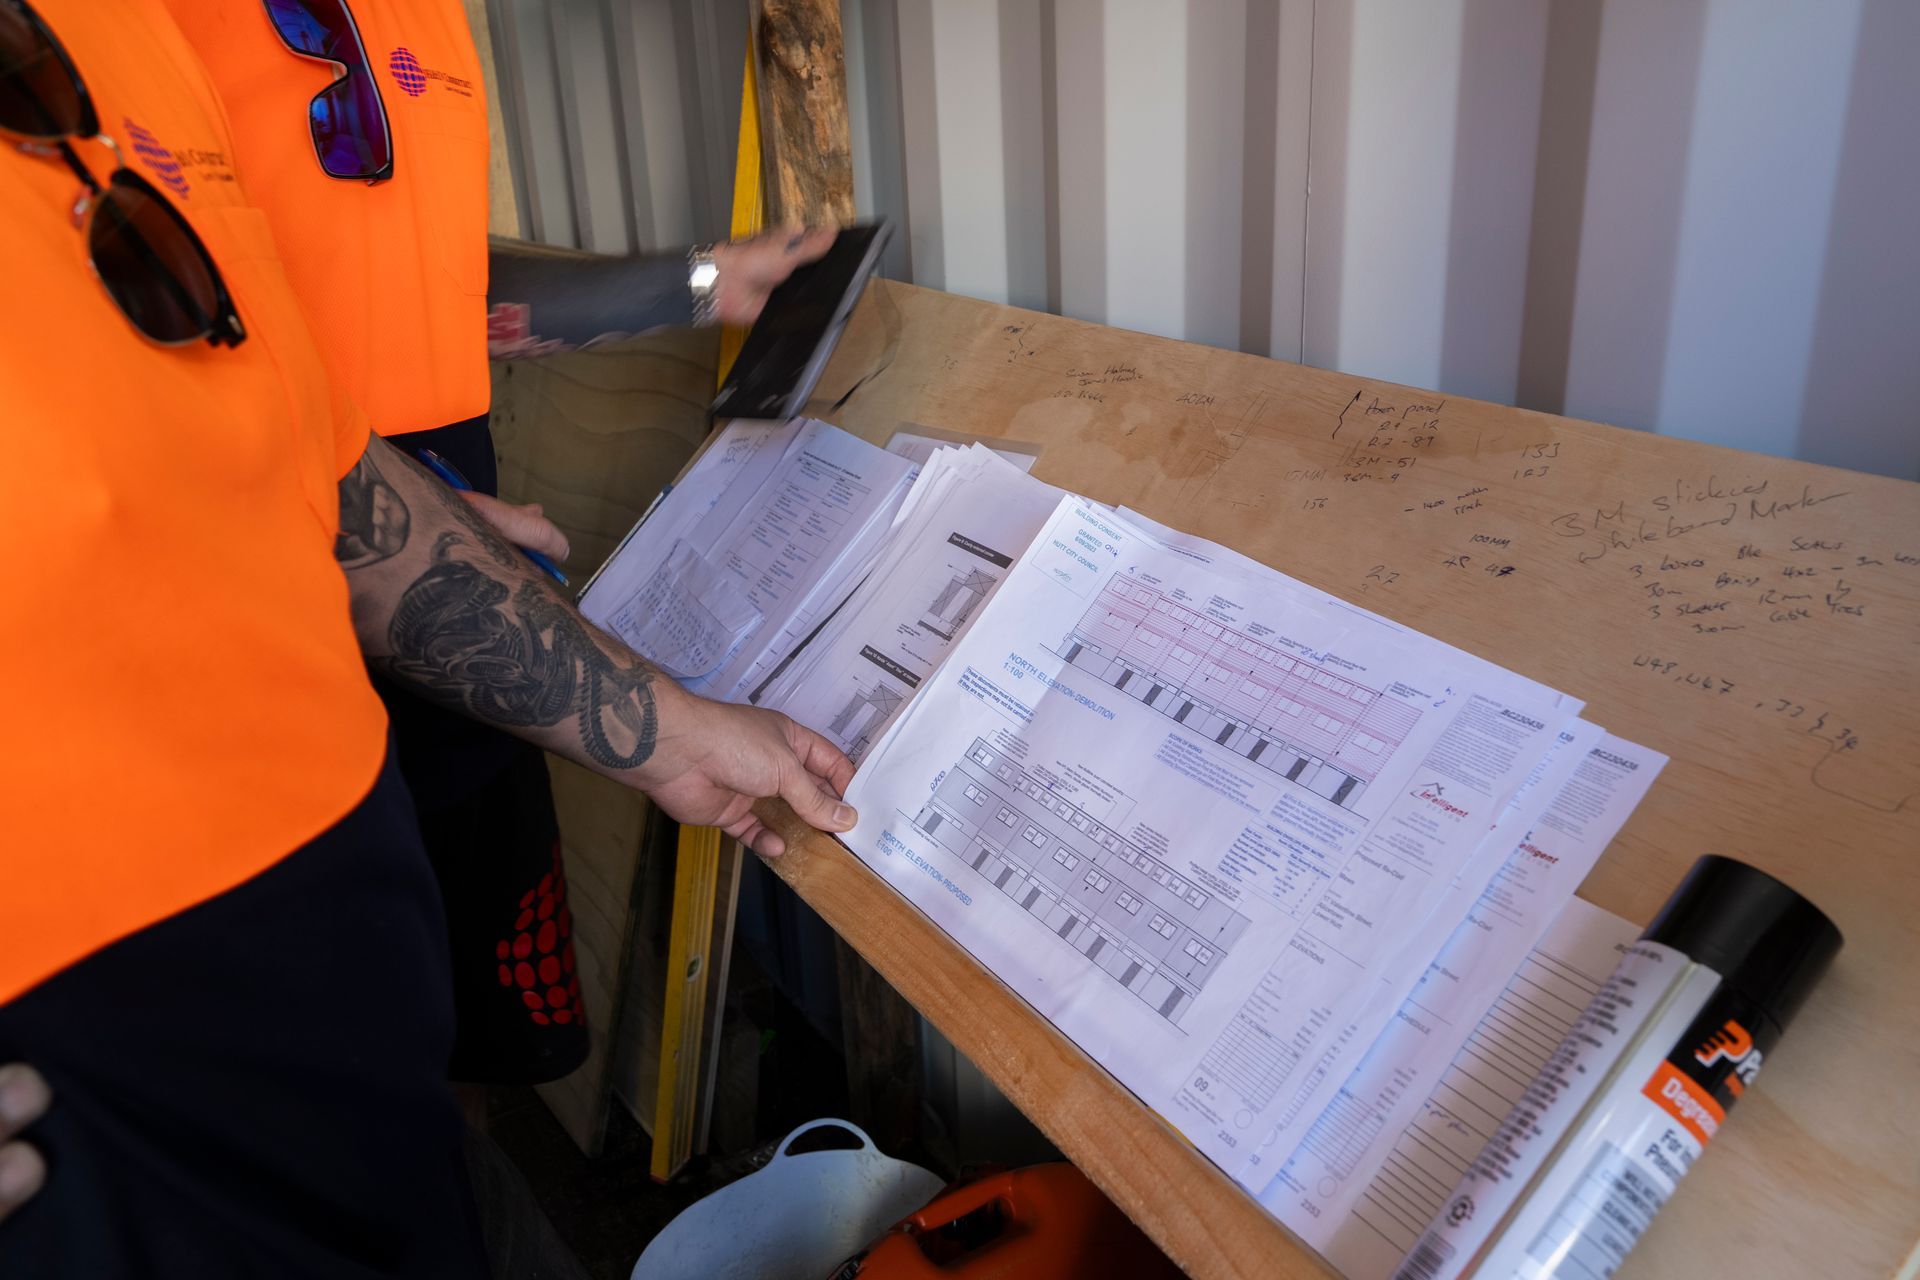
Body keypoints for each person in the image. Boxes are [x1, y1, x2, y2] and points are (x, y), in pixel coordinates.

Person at [0, 1, 853, 1273]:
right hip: (91, 1040)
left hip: (332, 914)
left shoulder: (116, 33)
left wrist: (661, 731)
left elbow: (318, 452)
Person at [165, 0, 834, 1091]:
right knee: (333, 1036)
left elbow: (432, 283)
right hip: (272, 576)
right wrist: (404, 510)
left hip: (443, 557)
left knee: (465, 982)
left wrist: (706, 282)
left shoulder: (424, 17)